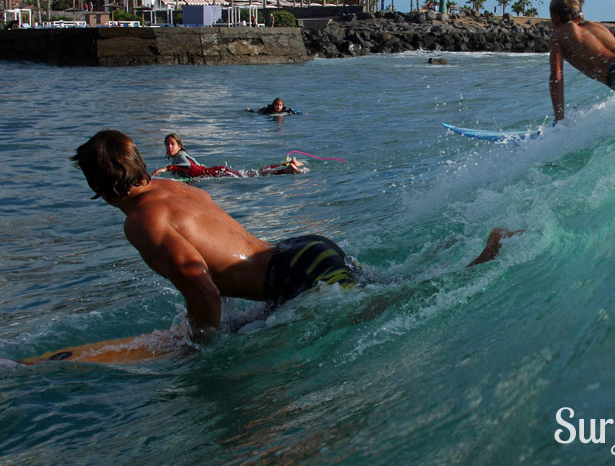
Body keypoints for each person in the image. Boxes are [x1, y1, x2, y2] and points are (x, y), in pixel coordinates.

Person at [71, 131, 521, 341]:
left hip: (294, 275)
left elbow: (203, 289)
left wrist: (203, 348)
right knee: (389, 285)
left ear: (97, 183)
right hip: (301, 254)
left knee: (400, 300)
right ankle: (455, 252)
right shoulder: (170, 188)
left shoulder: (141, 222)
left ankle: (487, 255)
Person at [547, 0, 615, 122]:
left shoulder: (558, 36)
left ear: (555, 17)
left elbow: (556, 76)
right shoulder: (596, 26)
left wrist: (559, 118)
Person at [150, 133, 307, 179]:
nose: (169, 147)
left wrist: (165, 169)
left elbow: (189, 167)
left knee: (252, 175)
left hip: (215, 172)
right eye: (167, 144)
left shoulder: (180, 157)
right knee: (253, 173)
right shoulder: (180, 155)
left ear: (179, 145)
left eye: (172, 144)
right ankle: (285, 165)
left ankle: (285, 170)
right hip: (214, 171)